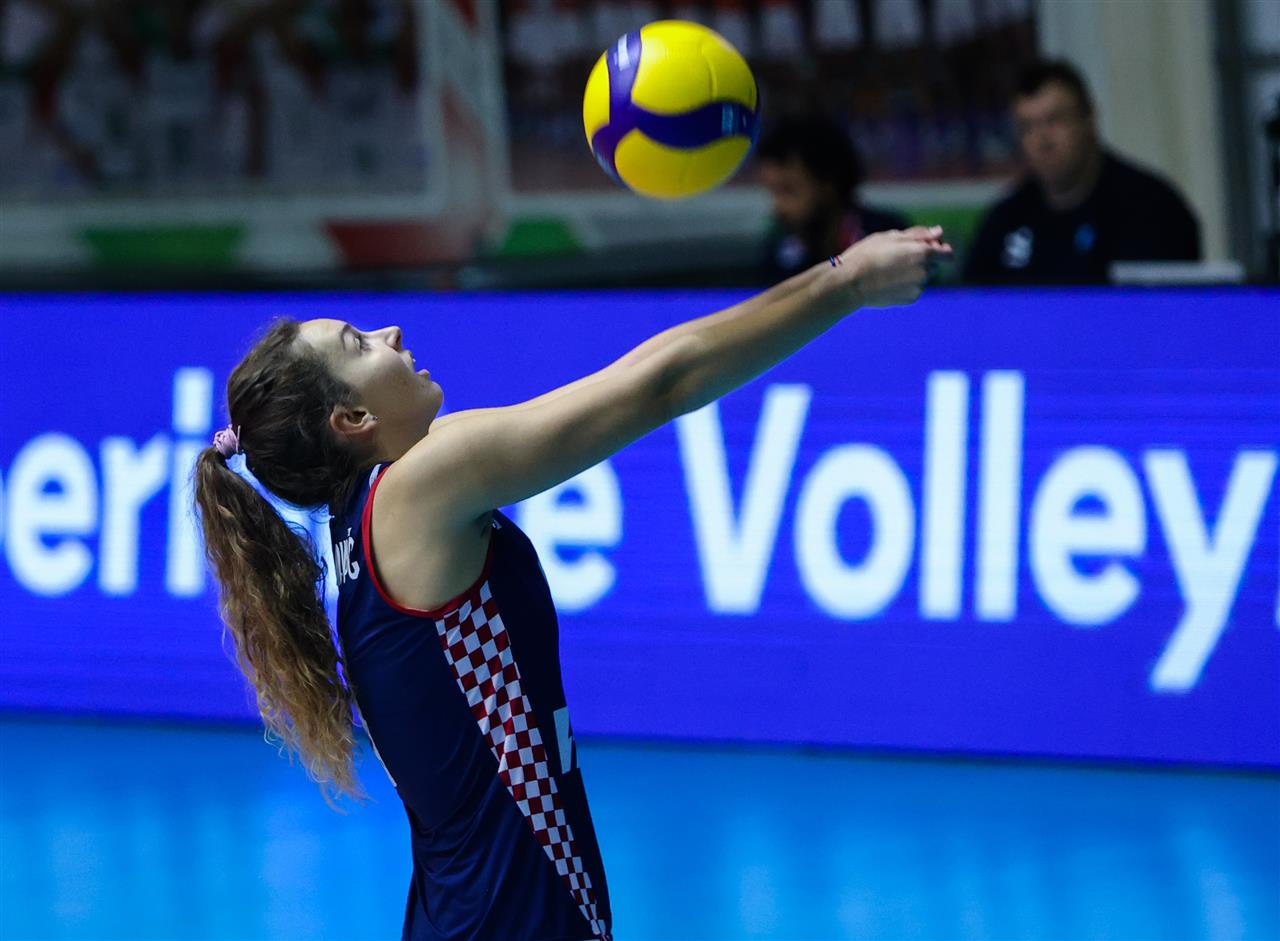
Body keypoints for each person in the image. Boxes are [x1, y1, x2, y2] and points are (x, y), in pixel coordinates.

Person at [192, 225, 950, 941]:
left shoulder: (363, 524)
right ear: (352, 416)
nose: (389, 332)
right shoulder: (417, 488)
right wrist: (845, 283)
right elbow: (663, 383)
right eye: (359, 344)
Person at [965, 59, 1201, 284]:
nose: (1042, 140)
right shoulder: (1004, 221)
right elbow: (973, 303)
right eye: (1027, 127)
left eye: (1054, 120)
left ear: (1089, 119)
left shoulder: (1151, 208)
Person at [755, 111, 911, 284]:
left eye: (788, 190)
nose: (778, 206)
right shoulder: (778, 253)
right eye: (773, 192)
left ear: (828, 184)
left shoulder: (888, 235)